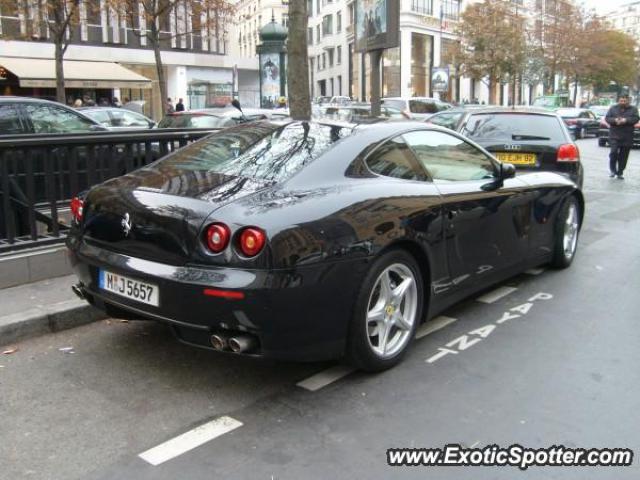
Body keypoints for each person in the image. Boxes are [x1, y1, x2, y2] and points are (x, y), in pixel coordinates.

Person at [605, 94, 639, 179]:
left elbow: (636, 119)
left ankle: (620, 172)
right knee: (613, 152)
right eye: (621, 100)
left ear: (628, 101)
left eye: (624, 101)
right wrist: (615, 120)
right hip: (614, 135)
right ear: (618, 100)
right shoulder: (613, 108)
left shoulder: (633, 109)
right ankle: (612, 170)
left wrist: (626, 120)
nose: (623, 102)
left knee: (623, 156)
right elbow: (607, 118)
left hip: (627, 136)